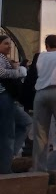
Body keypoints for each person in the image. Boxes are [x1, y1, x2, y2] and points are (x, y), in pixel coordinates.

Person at [0, 35, 30, 173]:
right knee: (8, 133)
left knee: (25, 123)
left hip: (8, 97)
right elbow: (1, 73)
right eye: (6, 43)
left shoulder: (4, 58)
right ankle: (5, 169)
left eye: (10, 44)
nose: (9, 46)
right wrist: (18, 71)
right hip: (3, 96)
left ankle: (8, 156)